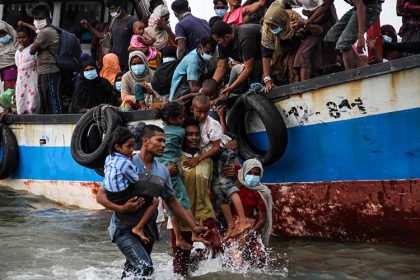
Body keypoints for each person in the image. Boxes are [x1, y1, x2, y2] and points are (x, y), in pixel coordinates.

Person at [96, 124, 207, 279]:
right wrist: (121, 208)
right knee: (145, 267)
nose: (163, 145)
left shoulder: (163, 171)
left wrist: (193, 225)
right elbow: (100, 196)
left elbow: (172, 201)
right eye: (159, 140)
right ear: (146, 141)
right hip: (124, 229)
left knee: (133, 272)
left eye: (164, 141)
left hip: (148, 230)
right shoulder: (126, 162)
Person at [171, 117, 223, 276]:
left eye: (196, 134)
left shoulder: (207, 161)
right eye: (189, 134)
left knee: (217, 248)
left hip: (204, 213)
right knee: (180, 265)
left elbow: (211, 188)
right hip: (182, 218)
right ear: (183, 137)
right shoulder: (175, 161)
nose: (193, 138)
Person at [156, 102, 206, 250]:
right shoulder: (180, 131)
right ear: (173, 119)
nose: (184, 119)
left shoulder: (162, 131)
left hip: (161, 170)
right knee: (183, 202)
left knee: (171, 206)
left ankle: (178, 238)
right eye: (182, 117)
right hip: (172, 172)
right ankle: (194, 232)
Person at [103, 126, 159, 244]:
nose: (132, 150)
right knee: (155, 201)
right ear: (117, 147)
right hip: (123, 197)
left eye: (133, 146)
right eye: (129, 147)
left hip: (111, 195)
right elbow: (134, 179)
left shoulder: (109, 159)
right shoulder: (126, 163)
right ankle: (138, 227)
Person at [212, 134, 251, 238]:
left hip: (230, 205)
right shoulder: (215, 158)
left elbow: (238, 186)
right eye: (230, 148)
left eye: (236, 149)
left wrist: (236, 175)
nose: (233, 152)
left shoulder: (235, 163)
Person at [324, 0, 382, 70]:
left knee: (343, 43)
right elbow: (325, 5)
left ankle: (351, 75)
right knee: (332, 36)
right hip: (357, 8)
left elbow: (361, 6)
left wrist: (361, 35)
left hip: (370, 8)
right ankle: (360, 63)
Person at [211, 21, 263, 98]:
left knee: (253, 84)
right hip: (249, 62)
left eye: (218, 40)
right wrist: (210, 86)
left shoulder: (244, 37)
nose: (218, 43)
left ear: (227, 36)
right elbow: (221, 66)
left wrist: (231, 87)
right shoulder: (222, 42)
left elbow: (249, 68)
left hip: (265, 57)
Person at [289, 0, 338, 81]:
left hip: (324, 28)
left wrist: (305, 23)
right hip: (314, 25)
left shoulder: (324, 13)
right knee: (303, 54)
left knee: (304, 53)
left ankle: (306, 85)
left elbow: (320, 29)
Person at [261, 2, 302, 91]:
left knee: (293, 65)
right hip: (277, 48)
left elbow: (304, 36)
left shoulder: (293, 18)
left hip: (296, 47)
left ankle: (298, 89)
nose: (271, 27)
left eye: (273, 25)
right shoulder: (267, 31)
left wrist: (297, 28)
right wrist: (267, 79)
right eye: (269, 25)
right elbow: (266, 56)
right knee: (273, 69)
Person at [29, 3, 62, 114]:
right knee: (46, 103)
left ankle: (58, 124)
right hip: (45, 71)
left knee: (52, 102)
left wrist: (36, 37)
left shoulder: (45, 32)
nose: (37, 21)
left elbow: (32, 50)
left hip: (50, 71)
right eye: (35, 18)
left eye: (40, 18)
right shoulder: (48, 30)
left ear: (48, 18)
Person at [234, 159, 273, 246]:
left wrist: (247, 237)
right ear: (244, 172)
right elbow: (232, 157)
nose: (252, 176)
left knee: (259, 255)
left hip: (249, 225)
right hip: (231, 223)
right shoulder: (237, 182)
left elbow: (262, 220)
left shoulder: (260, 192)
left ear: (260, 175)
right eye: (249, 173)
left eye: (255, 174)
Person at [169, 36, 217, 104]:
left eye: (212, 52)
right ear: (201, 48)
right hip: (180, 94)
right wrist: (209, 91)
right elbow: (193, 88)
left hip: (189, 88)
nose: (210, 55)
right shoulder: (193, 62)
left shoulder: (199, 53)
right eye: (208, 52)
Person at [15, 26, 39, 115]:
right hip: (21, 81)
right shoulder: (17, 52)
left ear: (29, 37)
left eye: (24, 37)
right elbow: (18, 67)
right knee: (21, 102)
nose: (21, 40)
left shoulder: (33, 48)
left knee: (32, 103)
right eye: (19, 37)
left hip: (32, 79)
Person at [106, 0, 137, 70]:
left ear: (120, 7)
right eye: (110, 9)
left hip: (127, 61)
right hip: (114, 60)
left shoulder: (133, 21)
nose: (111, 12)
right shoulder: (113, 21)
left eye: (113, 9)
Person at [0, 21, 18, 93]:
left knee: (8, 95)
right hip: (3, 72)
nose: (1, 36)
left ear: (9, 31)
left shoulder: (17, 42)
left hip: (11, 71)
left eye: (3, 33)